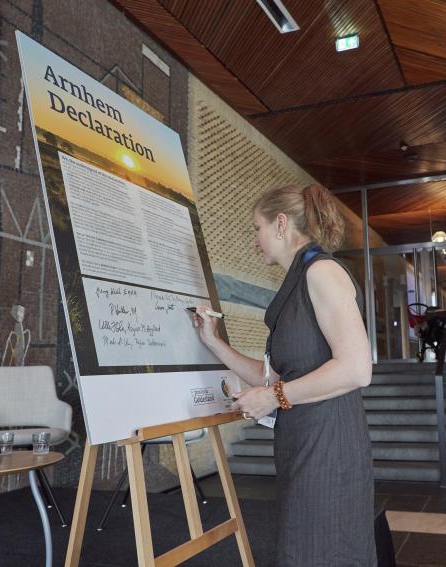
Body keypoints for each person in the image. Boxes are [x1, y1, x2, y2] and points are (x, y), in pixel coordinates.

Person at [192, 183, 376, 566]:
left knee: (322, 553)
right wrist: (214, 343)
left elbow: (357, 369)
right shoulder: (296, 280)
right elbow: (269, 376)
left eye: (255, 228)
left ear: (280, 224)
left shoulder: (321, 271)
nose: (254, 239)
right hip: (303, 441)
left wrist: (274, 397)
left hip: (328, 443)